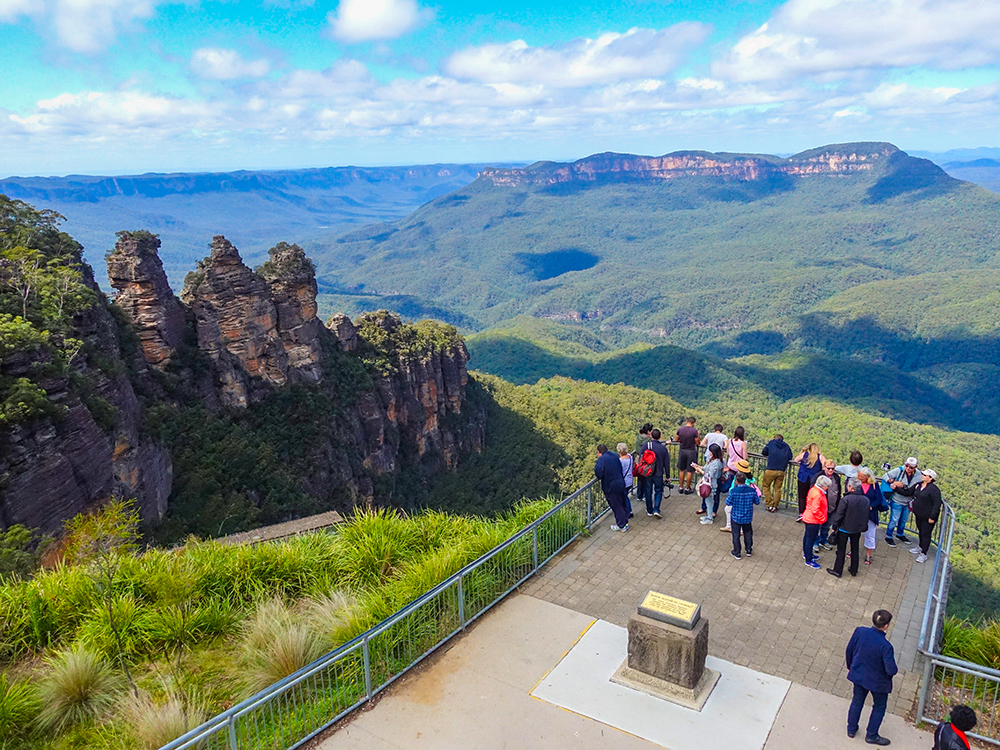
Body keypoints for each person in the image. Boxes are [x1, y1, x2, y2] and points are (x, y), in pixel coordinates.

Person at [845, 609, 897, 745]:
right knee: (879, 707)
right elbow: (891, 670)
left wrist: (851, 666)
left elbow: (849, 650)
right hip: (878, 683)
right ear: (885, 626)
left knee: (857, 701)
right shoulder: (886, 647)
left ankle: (851, 729)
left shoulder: (860, 631)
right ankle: (872, 735)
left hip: (859, 676)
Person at [828, 478, 871, 578]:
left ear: (850, 487)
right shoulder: (866, 500)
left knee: (841, 550)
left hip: (844, 528)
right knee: (855, 549)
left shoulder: (846, 499)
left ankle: (838, 571)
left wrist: (834, 527)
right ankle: (853, 570)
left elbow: (839, 515)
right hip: (857, 529)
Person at [883, 457, 922, 547]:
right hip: (897, 500)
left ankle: (900, 534)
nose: (908, 468)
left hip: (908, 502)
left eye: (911, 467)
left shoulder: (919, 475)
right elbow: (886, 476)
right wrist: (894, 482)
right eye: (906, 466)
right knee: (894, 519)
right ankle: (888, 536)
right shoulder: (899, 471)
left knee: (904, 520)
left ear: (915, 467)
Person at [595, 444, 629, 532]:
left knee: (616, 505)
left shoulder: (601, 460)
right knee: (622, 503)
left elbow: (599, 474)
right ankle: (624, 521)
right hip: (621, 482)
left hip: (611, 486)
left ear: (599, 452)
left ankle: (621, 525)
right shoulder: (614, 455)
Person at [910, 469, 942, 564]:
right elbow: (908, 491)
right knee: (921, 531)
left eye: (925, 475)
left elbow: (937, 504)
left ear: (930, 478)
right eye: (923, 474)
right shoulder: (919, 485)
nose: (923, 475)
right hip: (919, 514)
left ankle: (924, 553)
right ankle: (920, 547)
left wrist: (932, 517)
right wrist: (895, 487)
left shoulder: (934, 490)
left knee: (926, 534)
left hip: (928, 517)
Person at [726, 471, 759, 559]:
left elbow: (728, 502)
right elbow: (757, 502)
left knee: (736, 535)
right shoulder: (752, 491)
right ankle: (748, 550)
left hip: (736, 516)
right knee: (748, 533)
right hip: (748, 516)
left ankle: (737, 552)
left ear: (736, 481)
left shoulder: (734, 491)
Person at [638, 429, 670, 519]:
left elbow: (641, 458)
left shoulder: (645, 446)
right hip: (659, 473)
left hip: (647, 473)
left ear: (651, 436)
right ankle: (656, 509)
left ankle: (649, 510)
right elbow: (666, 463)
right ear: (660, 437)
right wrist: (667, 476)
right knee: (659, 491)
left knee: (648, 491)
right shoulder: (663, 448)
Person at [859, 468, 888, 566]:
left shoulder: (875, 486)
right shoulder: (857, 484)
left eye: (862, 476)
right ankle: (853, 550)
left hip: (871, 513)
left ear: (868, 477)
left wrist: (871, 506)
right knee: (854, 531)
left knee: (870, 533)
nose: (859, 477)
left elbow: (879, 499)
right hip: (858, 512)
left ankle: (868, 554)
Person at [692, 443, 724, 525]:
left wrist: (701, 471)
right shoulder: (713, 460)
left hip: (711, 484)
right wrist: (698, 467)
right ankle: (709, 515)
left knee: (709, 501)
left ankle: (709, 518)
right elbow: (706, 468)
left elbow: (710, 474)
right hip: (709, 482)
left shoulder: (716, 463)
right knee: (708, 501)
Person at [760, 433, 793, 512]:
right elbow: (790, 456)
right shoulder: (786, 446)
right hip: (781, 470)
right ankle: (775, 505)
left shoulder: (771, 443)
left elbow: (764, 452)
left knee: (766, 486)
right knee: (777, 489)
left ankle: (769, 504)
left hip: (771, 469)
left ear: (774, 438)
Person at [721, 458, 756, 532]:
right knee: (742, 512)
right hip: (745, 500)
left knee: (729, 509)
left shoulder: (740, 478)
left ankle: (731, 526)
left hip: (738, 498)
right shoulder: (748, 478)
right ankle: (738, 528)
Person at [803, 475, 830, 569]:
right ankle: (809, 559)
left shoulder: (813, 490)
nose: (828, 488)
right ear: (823, 486)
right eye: (827, 486)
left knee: (807, 537)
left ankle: (807, 554)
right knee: (810, 539)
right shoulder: (818, 494)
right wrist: (822, 518)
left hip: (808, 517)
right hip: (813, 520)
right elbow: (815, 510)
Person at [794, 443, 826, 521]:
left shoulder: (804, 455)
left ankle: (801, 513)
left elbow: (795, 460)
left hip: (803, 478)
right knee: (812, 497)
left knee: (802, 496)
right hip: (813, 479)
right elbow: (825, 465)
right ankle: (811, 513)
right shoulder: (820, 457)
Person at [816, 460, 843, 551]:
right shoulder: (819, 477)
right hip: (821, 507)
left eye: (833, 468)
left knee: (827, 526)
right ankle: (815, 542)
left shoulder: (836, 477)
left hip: (832, 507)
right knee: (818, 526)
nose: (831, 470)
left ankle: (823, 540)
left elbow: (839, 491)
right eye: (829, 468)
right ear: (824, 468)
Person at [674, 417, 701, 495]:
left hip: (682, 451)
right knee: (690, 471)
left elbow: (676, 439)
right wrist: (698, 435)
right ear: (694, 423)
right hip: (691, 452)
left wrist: (682, 441)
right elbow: (697, 442)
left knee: (682, 470)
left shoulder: (680, 429)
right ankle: (687, 488)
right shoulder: (694, 431)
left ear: (686, 421)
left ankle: (681, 487)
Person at [634, 423, 653, 510]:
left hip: (638, 459)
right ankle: (645, 495)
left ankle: (639, 495)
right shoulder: (648, 440)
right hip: (645, 460)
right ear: (648, 431)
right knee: (646, 477)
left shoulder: (638, 437)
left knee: (640, 478)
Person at [617, 443, 635, 519]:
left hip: (624, 482)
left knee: (624, 497)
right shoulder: (630, 457)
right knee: (625, 496)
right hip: (630, 480)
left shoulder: (620, 461)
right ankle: (629, 511)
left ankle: (628, 512)